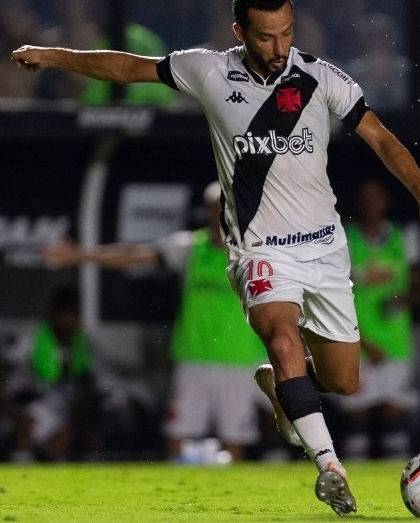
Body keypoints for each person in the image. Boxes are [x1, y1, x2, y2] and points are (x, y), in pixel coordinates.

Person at [12, 0, 420, 515]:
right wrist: (52, 56)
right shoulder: (209, 71)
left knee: (343, 380)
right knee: (282, 338)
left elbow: (381, 137)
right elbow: (128, 67)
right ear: (239, 32)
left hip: (325, 249)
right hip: (259, 249)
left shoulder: (320, 78)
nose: (279, 47)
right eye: (266, 37)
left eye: (286, 33)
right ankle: (330, 465)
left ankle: (279, 389)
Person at [41, 182, 268, 462]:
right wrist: (80, 255)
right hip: (193, 360)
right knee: (177, 434)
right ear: (206, 212)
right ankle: (175, 499)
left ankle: (229, 503)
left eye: (226, 208)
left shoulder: (256, 253)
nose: (219, 215)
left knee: (234, 441)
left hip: (239, 361)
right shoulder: (189, 248)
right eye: (213, 208)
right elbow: (135, 256)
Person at [335, 179, 420, 460]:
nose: (371, 203)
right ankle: (355, 488)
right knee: (356, 418)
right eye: (366, 197)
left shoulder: (402, 237)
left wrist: (399, 299)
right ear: (358, 203)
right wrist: (364, 342)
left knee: (394, 419)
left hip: (395, 343)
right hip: (357, 343)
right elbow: (333, 295)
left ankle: (399, 486)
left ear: (386, 202)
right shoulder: (345, 239)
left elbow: (419, 288)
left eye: (377, 196)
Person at [5, 285, 101, 462]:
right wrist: (11, 411)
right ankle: (19, 477)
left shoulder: (81, 344)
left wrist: (76, 424)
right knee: (25, 433)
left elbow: (87, 387)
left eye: (73, 314)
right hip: (23, 407)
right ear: (52, 313)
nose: (68, 320)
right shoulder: (31, 339)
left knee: (82, 436)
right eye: (63, 313)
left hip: (59, 414)